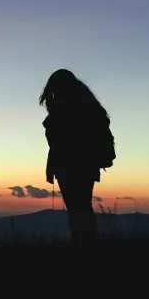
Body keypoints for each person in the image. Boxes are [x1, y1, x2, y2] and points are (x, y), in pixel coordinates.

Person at [39, 68, 116, 247]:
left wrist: (52, 167)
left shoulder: (64, 107)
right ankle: (86, 242)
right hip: (87, 165)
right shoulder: (86, 104)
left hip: (69, 165)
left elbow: (58, 142)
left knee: (76, 209)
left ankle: (82, 243)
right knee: (82, 207)